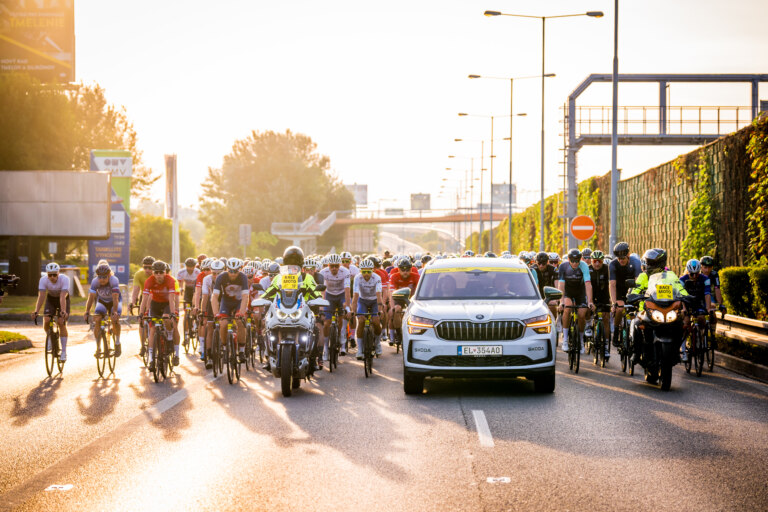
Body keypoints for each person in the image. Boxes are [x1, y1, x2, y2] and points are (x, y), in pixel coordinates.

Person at [629, 248, 688, 365]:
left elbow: (680, 288)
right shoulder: (643, 276)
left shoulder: (670, 275)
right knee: (636, 324)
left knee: (679, 324)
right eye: (647, 263)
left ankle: (675, 352)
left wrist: (687, 296)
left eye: (651, 263)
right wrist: (633, 295)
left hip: (667, 309)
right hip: (646, 310)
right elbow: (637, 288)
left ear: (659, 264)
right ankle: (636, 352)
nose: (648, 266)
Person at [140, 260, 181, 369]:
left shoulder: (170, 280)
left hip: (167, 304)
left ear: (165, 272)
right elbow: (144, 299)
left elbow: (172, 299)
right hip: (155, 305)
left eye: (161, 272)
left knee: (167, 319)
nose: (159, 275)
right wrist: (141, 314)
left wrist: (173, 313)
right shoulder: (149, 281)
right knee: (153, 330)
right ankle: (151, 360)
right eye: (156, 272)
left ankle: (172, 343)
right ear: (153, 273)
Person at [212, 257, 250, 363]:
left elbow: (245, 297)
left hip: (239, 302)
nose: (233, 274)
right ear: (227, 269)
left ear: (240, 269)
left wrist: (241, 312)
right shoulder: (221, 277)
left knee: (240, 322)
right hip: (226, 303)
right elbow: (214, 297)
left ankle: (241, 351)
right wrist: (216, 313)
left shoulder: (243, 277)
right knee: (223, 324)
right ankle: (224, 348)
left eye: (236, 271)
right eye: (230, 271)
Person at [557, 249, 594, 353]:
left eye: (577, 261)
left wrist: (590, 301)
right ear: (568, 259)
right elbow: (561, 285)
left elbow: (588, 284)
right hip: (568, 292)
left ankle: (581, 341)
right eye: (572, 261)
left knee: (582, 314)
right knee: (567, 308)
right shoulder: (563, 266)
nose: (574, 263)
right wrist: (561, 301)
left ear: (580, 259)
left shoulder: (584, 266)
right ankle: (565, 340)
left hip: (580, 292)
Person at [33, 262, 70, 362]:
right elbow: (41, 296)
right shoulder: (43, 280)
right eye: (50, 275)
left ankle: (64, 352)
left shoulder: (65, 279)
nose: (52, 277)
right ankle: (49, 337)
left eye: (54, 274)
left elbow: (62, 296)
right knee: (46, 319)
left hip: (63, 299)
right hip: (51, 299)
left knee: (61, 323)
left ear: (58, 273)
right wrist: (36, 311)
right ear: (47, 274)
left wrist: (63, 311)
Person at [84, 263, 123, 357]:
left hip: (114, 301)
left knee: (115, 320)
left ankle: (117, 343)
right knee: (97, 319)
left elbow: (115, 298)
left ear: (109, 275)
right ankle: (98, 347)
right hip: (102, 301)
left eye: (104, 277)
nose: (101, 279)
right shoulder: (95, 282)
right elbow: (91, 297)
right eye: (99, 277)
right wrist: (87, 311)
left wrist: (114, 312)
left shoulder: (114, 280)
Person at [608, 242, 642, 347]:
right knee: (619, 308)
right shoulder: (613, 264)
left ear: (628, 255)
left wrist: (635, 297)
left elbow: (638, 282)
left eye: (623, 258)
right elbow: (612, 284)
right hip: (618, 290)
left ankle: (635, 336)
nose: (621, 260)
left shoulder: (636, 262)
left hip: (632, 290)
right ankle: (616, 330)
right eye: (619, 258)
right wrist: (613, 303)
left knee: (634, 313)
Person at [319, 253, 352, 357]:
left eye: (336, 266)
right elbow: (322, 292)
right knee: (326, 323)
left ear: (339, 265)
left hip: (341, 294)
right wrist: (321, 305)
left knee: (342, 317)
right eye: (332, 266)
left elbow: (347, 290)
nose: (334, 268)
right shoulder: (323, 272)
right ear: (328, 265)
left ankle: (342, 338)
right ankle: (326, 348)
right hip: (329, 295)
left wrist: (347, 305)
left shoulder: (345, 272)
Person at [679, 259, 712, 363]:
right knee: (685, 322)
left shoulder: (705, 279)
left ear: (699, 272)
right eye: (691, 274)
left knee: (702, 319)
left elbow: (707, 294)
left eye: (696, 274)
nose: (694, 276)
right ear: (688, 272)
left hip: (699, 302)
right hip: (687, 303)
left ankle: (699, 338)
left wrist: (708, 308)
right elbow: (681, 296)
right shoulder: (682, 280)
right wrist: (684, 309)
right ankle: (683, 351)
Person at [351, 259, 383, 359]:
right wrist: (353, 310)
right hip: (362, 300)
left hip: (374, 300)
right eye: (363, 271)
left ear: (372, 270)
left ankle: (377, 343)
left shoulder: (377, 278)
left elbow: (379, 294)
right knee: (361, 321)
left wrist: (380, 310)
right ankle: (360, 349)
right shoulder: (357, 278)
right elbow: (355, 295)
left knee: (376, 321)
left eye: (368, 271)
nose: (366, 274)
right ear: (360, 271)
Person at [388, 259, 420, 343]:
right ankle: (398, 333)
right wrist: (392, 308)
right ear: (398, 269)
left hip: (411, 299)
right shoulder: (394, 276)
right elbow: (391, 293)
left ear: (411, 269)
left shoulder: (416, 276)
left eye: (407, 270)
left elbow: (419, 291)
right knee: (396, 309)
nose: (405, 272)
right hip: (398, 299)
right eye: (402, 270)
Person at [200, 259, 224, 369]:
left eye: (219, 274)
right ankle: (209, 356)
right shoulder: (207, 279)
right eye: (214, 273)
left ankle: (226, 346)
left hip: (224, 301)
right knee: (209, 327)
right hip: (211, 301)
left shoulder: (227, 278)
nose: (216, 276)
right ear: (211, 271)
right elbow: (205, 296)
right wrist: (202, 312)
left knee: (225, 324)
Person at [588, 250, 611, 360]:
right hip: (591, 297)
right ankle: (589, 326)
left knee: (605, 319)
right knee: (586, 311)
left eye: (600, 261)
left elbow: (611, 284)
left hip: (604, 296)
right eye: (595, 261)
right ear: (591, 261)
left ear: (603, 261)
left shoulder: (607, 269)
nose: (597, 264)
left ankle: (605, 346)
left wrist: (611, 299)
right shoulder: (588, 269)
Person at [533, 251, 558, 318]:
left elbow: (557, 284)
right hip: (536, 293)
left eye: (543, 263)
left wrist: (557, 297)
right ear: (536, 262)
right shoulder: (532, 269)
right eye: (539, 263)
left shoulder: (553, 269)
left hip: (549, 293)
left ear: (547, 262)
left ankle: (554, 320)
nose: (541, 266)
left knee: (552, 304)